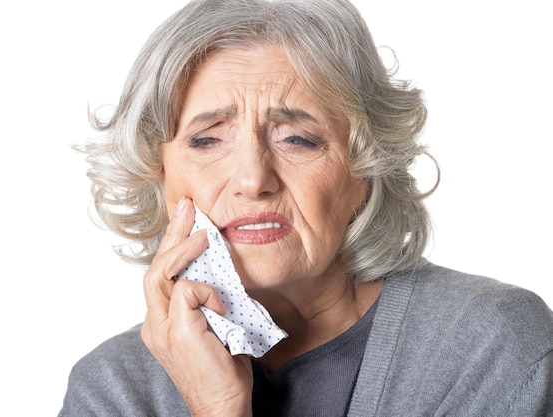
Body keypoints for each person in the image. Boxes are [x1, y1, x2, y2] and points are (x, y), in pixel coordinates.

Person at [58, 0, 553, 415]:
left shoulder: (486, 343)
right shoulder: (113, 390)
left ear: (365, 168)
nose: (253, 181)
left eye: (298, 139)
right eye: (207, 141)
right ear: (156, 172)